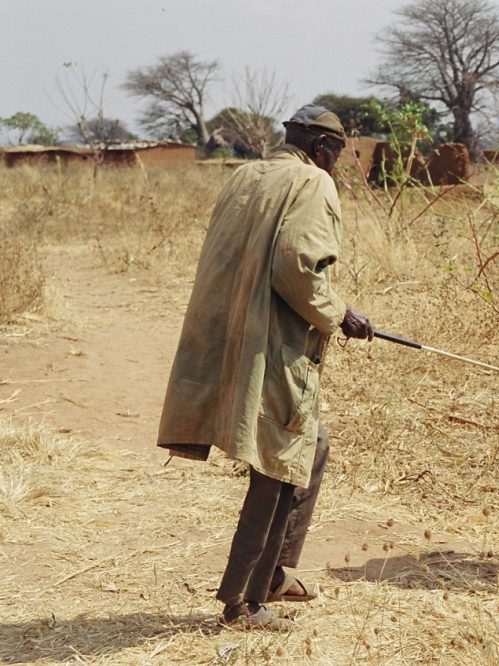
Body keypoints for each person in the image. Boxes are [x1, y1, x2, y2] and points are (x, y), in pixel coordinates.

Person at [157, 104, 373, 629]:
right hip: (273, 345)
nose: (337, 164)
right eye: (338, 154)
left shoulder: (244, 175)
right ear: (324, 148)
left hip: (226, 338)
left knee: (311, 446)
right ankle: (244, 602)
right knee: (278, 465)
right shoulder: (313, 182)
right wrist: (340, 314)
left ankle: (275, 572)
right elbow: (299, 268)